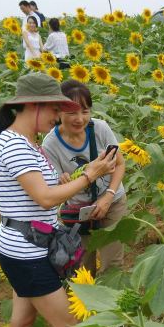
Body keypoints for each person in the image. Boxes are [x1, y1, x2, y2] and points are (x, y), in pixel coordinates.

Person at [0, 72, 116, 327]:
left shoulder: (24, 141)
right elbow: (43, 197)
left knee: (22, 322)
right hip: (28, 253)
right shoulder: (14, 144)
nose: (58, 118)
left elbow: (43, 185)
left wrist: (79, 173)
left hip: (22, 246)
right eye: (55, 110)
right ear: (33, 106)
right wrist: (88, 177)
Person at [42, 80, 127, 276]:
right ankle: (89, 306)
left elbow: (120, 164)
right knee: (83, 269)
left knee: (113, 266)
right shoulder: (50, 144)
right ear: (58, 112)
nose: (80, 118)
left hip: (112, 203)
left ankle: (110, 305)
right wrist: (61, 182)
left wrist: (108, 196)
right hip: (79, 214)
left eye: (85, 111)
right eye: (72, 112)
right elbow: (53, 191)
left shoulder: (100, 129)